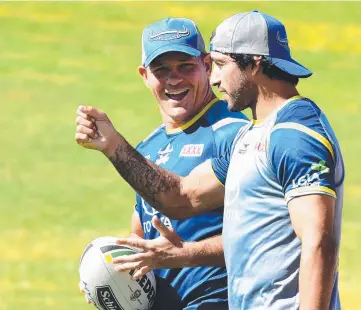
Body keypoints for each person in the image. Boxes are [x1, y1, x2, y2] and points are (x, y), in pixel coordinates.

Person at [76, 11, 344, 310]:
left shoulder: (293, 134)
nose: (214, 78)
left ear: (254, 63)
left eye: (219, 65)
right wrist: (108, 272)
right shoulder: (252, 137)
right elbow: (181, 197)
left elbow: (318, 241)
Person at [76, 17, 248, 310]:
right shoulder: (147, 147)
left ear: (207, 66)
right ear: (144, 75)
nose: (174, 79)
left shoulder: (233, 134)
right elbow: (141, 233)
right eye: (161, 69)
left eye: (185, 66)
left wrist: (184, 255)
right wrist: (103, 272)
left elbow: (256, 237)